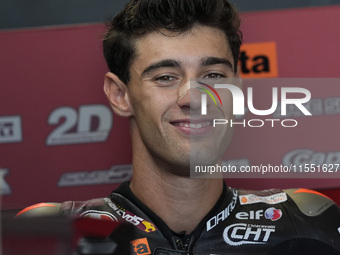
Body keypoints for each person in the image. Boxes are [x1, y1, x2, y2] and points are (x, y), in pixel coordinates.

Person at [17, 0, 340, 254]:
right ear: (120, 95)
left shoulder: (307, 223)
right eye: (165, 78)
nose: (194, 98)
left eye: (213, 75)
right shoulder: (53, 232)